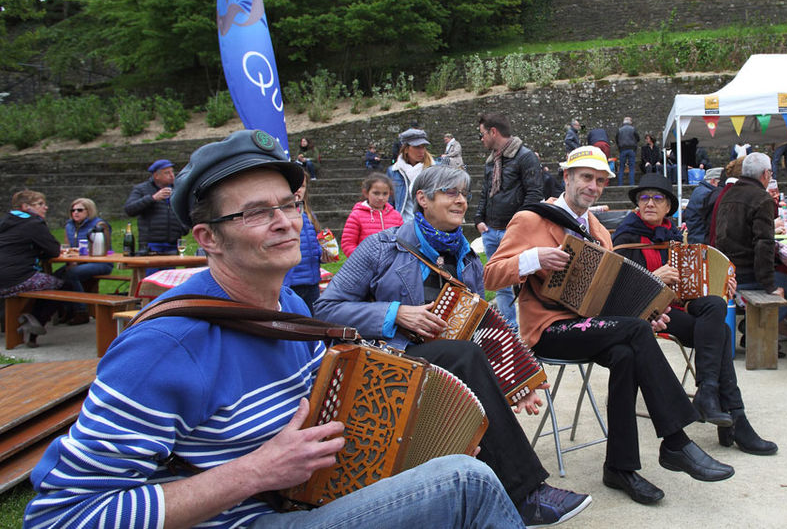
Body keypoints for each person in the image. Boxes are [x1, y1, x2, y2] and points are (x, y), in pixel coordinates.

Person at [25, 130, 523, 529]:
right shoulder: (165, 346)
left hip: (302, 501)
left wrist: (413, 448)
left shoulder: (285, 305)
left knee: (447, 471)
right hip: (248, 518)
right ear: (208, 238)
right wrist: (255, 471)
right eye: (257, 212)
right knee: (465, 484)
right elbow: (61, 516)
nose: (286, 222)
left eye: (288, 205)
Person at [314, 164, 591, 526]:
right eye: (449, 192)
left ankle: (497, 490)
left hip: (445, 363)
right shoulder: (382, 247)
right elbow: (326, 308)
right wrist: (396, 314)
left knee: (464, 356)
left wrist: (514, 380)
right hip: (386, 359)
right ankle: (526, 493)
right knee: (462, 357)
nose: (460, 200)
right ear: (422, 200)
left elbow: (479, 328)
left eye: (463, 193)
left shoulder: (469, 261)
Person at [484, 147, 735, 506]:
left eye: (600, 181)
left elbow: (614, 293)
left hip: (591, 326)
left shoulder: (599, 230)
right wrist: (533, 258)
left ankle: (619, 467)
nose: (594, 186)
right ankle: (676, 441)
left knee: (625, 352)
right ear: (567, 178)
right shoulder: (531, 219)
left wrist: (649, 312)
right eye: (587, 177)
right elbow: (490, 274)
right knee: (632, 334)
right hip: (548, 330)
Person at [612, 173, 778, 456]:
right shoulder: (624, 238)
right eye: (644, 197)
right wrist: (653, 277)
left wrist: (722, 280)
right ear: (637, 203)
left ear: (669, 207)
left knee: (714, 305)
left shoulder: (674, 236)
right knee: (722, 333)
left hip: (677, 306)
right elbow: (619, 293)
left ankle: (709, 392)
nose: (649, 203)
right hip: (647, 314)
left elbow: (691, 284)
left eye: (657, 198)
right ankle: (734, 417)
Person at [473, 113, 545, 331]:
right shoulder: (491, 161)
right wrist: (478, 219)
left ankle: (530, 331)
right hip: (491, 231)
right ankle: (511, 331)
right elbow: (486, 193)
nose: (481, 139)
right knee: (500, 284)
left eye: (482, 134)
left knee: (526, 283)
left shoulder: (525, 157)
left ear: (493, 132)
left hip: (513, 232)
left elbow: (534, 194)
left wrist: (518, 226)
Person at [713, 153, 787, 320]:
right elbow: (764, 243)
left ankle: (755, 327)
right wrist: (769, 286)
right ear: (766, 174)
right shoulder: (762, 198)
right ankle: (756, 328)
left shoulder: (728, 193)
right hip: (745, 274)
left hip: (726, 269)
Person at [0, 190, 64, 348]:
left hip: (3, 278)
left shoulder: (6, 220)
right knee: (63, 285)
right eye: (40, 204)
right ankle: (34, 324)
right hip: (16, 278)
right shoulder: (33, 222)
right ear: (25, 206)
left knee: (49, 280)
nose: (46, 207)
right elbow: (54, 250)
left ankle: (28, 320)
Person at [55, 197, 113, 323]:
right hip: (77, 262)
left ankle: (81, 311)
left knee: (71, 274)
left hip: (100, 263)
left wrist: (79, 261)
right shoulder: (69, 226)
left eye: (79, 210)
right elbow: (69, 247)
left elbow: (106, 249)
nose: (75, 213)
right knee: (57, 276)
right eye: (73, 210)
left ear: (89, 211)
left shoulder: (99, 225)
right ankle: (66, 310)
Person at [124, 159, 188, 254]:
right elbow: (129, 209)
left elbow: (185, 210)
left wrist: (183, 228)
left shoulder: (178, 190)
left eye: (172, 172)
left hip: (173, 245)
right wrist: (152, 198)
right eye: (167, 173)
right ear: (156, 176)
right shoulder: (141, 189)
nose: (172, 175)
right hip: (150, 246)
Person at [283, 172, 327, 310]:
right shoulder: (281, 216)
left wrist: (324, 253)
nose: (298, 189)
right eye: (294, 186)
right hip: (291, 282)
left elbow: (314, 244)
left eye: (302, 186)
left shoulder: (309, 214)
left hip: (312, 280)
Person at [341, 172, 403, 256]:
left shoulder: (396, 216)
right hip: (364, 266)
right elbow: (347, 244)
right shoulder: (356, 215)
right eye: (376, 193)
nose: (381, 197)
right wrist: (361, 259)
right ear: (366, 193)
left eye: (385, 194)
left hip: (391, 266)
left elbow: (402, 241)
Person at [388, 127, 435, 221]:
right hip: (402, 226)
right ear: (406, 149)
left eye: (423, 147)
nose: (421, 151)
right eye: (417, 147)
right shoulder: (393, 171)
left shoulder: (434, 169)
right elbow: (389, 202)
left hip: (429, 225)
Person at [683, 167, 723, 243]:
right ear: (713, 181)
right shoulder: (707, 194)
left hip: (696, 237)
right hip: (701, 239)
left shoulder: (700, 190)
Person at [615, 117, 638, 186]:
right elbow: (638, 138)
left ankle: (620, 184)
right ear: (630, 122)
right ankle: (632, 184)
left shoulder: (620, 130)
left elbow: (617, 139)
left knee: (621, 167)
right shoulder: (633, 129)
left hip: (622, 149)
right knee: (631, 167)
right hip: (631, 149)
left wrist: (619, 145)